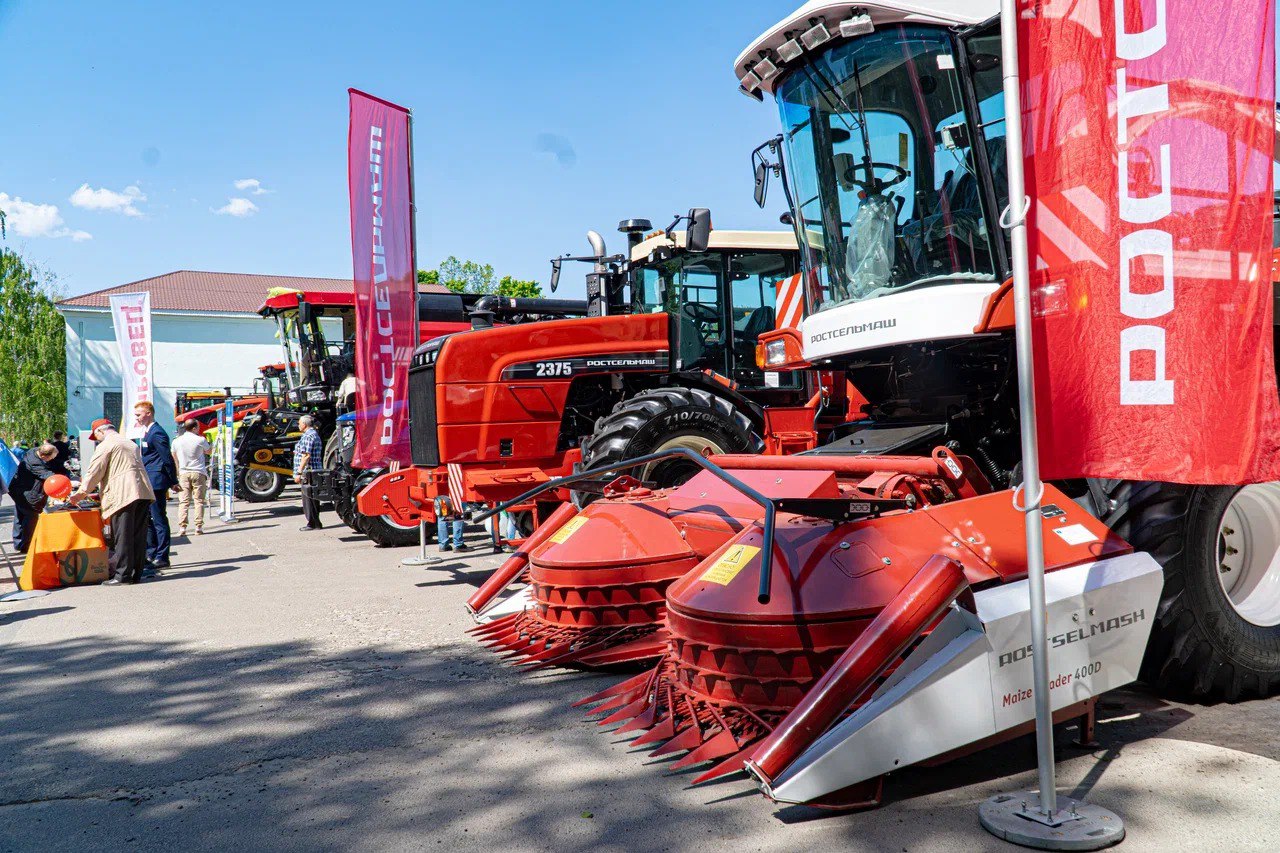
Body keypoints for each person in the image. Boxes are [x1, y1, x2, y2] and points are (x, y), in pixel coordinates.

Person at [68, 420, 155, 585]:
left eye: (97, 436)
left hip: (123, 493)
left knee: (123, 536)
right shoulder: (129, 443)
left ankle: (122, 576)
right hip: (142, 491)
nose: (97, 440)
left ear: (100, 431)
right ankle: (136, 573)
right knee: (138, 535)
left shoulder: (106, 445)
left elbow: (95, 471)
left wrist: (80, 494)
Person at [133, 401, 178, 569]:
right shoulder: (147, 432)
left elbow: (166, 458)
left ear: (149, 413)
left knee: (159, 519)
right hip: (149, 480)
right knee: (149, 519)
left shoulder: (157, 433)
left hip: (157, 481)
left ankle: (162, 556)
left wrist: (173, 480)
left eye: (138, 414)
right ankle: (151, 553)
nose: (136, 417)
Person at [7, 442, 65, 553]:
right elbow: (48, 475)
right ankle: (27, 546)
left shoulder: (32, 451)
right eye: (51, 458)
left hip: (18, 490)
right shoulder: (35, 464)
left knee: (19, 516)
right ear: (44, 456)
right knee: (30, 518)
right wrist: (65, 481)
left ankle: (18, 542)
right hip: (28, 493)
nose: (51, 460)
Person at [171, 419, 210, 536]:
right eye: (197, 427)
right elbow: (209, 451)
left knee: (183, 501)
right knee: (199, 500)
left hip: (183, 473)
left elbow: (174, 457)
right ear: (194, 428)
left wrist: (178, 472)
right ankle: (198, 527)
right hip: (198, 472)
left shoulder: (176, 441)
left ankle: (182, 527)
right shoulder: (200, 440)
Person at [293, 415, 324, 531]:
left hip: (309, 472)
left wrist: (299, 472)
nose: (298, 425)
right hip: (313, 471)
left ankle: (313, 523)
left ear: (304, 424)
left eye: (299, 423)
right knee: (312, 498)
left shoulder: (308, 436)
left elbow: (306, 456)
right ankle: (315, 522)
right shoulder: (312, 434)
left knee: (309, 499)